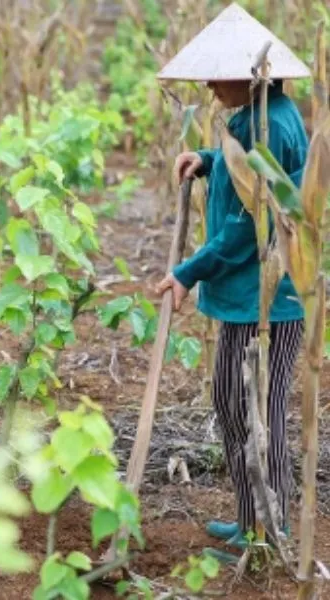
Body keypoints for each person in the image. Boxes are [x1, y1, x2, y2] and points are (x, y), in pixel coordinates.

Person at [154, 3, 311, 556]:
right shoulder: (254, 118)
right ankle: (251, 521)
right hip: (249, 298)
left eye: (219, 74)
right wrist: (206, 157)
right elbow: (240, 168)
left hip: (270, 300)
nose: (209, 84)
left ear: (250, 75)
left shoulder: (275, 127)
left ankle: (270, 535)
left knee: (257, 412)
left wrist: (187, 272)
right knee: (231, 399)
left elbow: (246, 230)